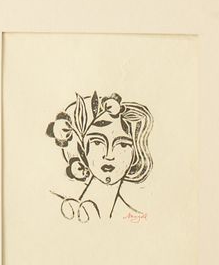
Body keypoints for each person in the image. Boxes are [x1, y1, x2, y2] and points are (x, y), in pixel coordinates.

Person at [48, 90, 152, 219]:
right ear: (83, 148)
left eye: (123, 144)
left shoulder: (131, 215)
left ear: (135, 152)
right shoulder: (64, 208)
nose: (109, 155)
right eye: (97, 142)